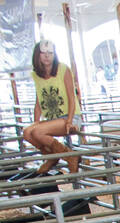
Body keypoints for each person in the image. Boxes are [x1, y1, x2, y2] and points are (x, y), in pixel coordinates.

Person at [22, 40, 79, 175]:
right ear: (38, 55)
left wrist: (70, 121)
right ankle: (53, 157)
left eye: (50, 53)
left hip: (69, 116)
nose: (47, 56)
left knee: (37, 132)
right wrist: (36, 122)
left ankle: (69, 156)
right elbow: (39, 101)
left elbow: (72, 97)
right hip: (52, 120)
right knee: (27, 132)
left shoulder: (63, 69)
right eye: (43, 53)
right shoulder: (36, 75)